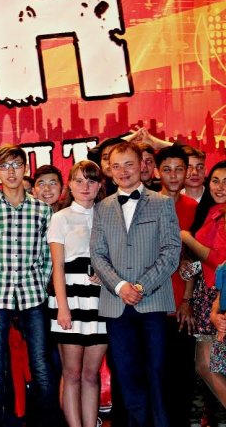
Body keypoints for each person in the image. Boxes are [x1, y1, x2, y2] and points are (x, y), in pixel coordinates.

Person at [90, 142, 181, 427]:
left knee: (157, 374)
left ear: (142, 165)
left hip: (152, 303)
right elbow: (97, 254)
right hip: (116, 305)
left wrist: (140, 287)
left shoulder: (162, 203)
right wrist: (120, 286)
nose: (123, 171)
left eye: (129, 164)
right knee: (126, 376)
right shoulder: (102, 207)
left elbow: (171, 251)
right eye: (116, 166)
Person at [0, 144, 61, 427]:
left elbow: (49, 257)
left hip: (33, 296)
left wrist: (40, 285)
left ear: (25, 168)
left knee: (41, 366)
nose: (11, 172)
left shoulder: (42, 210)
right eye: (4, 166)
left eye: (16, 165)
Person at [47, 160, 107, 427]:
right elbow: (57, 266)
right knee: (71, 373)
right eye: (79, 181)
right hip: (69, 298)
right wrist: (63, 307)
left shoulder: (108, 215)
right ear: (69, 185)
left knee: (91, 374)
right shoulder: (60, 218)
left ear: (100, 185)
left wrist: (105, 274)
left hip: (101, 299)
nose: (85, 186)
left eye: (91, 181)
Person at [155, 145, 197, 427]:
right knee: (156, 372)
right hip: (152, 303)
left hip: (183, 305)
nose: (173, 175)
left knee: (183, 373)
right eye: (167, 169)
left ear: (186, 172)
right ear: (157, 172)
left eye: (179, 169)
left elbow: (195, 258)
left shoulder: (194, 208)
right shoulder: (145, 204)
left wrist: (187, 300)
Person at [180, 160, 226, 407]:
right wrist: (191, 268)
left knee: (208, 365)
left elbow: (219, 259)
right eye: (216, 181)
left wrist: (186, 237)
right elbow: (207, 260)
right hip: (206, 295)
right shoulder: (211, 211)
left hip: (220, 297)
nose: (220, 187)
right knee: (207, 365)